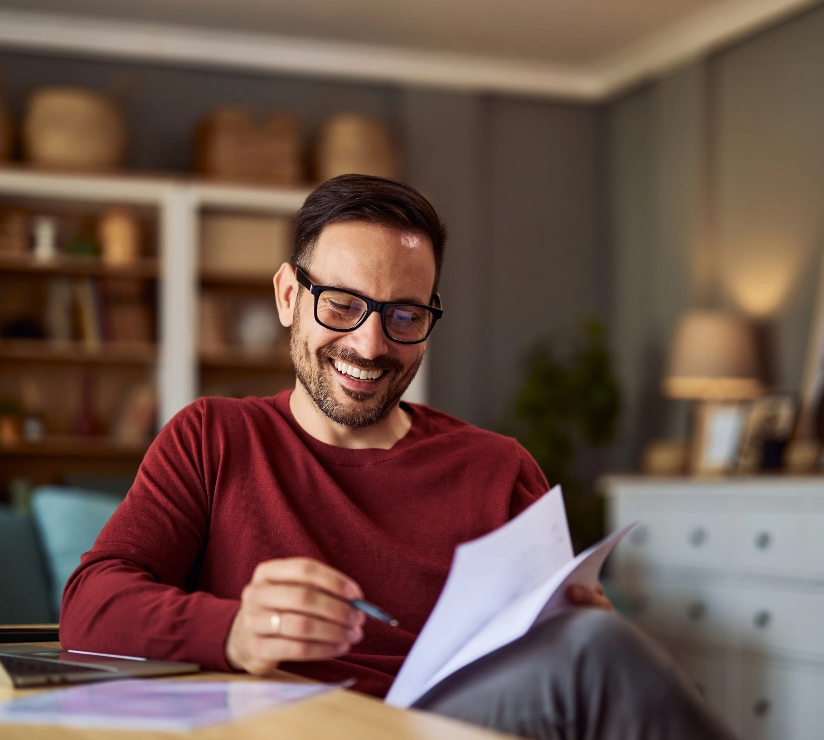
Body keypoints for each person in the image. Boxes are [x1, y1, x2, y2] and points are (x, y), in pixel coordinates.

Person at [61, 175, 736, 740]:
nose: (371, 344)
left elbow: (559, 656)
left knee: (598, 648)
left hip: (445, 728)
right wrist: (235, 630)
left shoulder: (498, 469)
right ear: (289, 296)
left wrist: (580, 631)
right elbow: (89, 610)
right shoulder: (212, 437)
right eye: (343, 304)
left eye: (405, 315)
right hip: (284, 729)